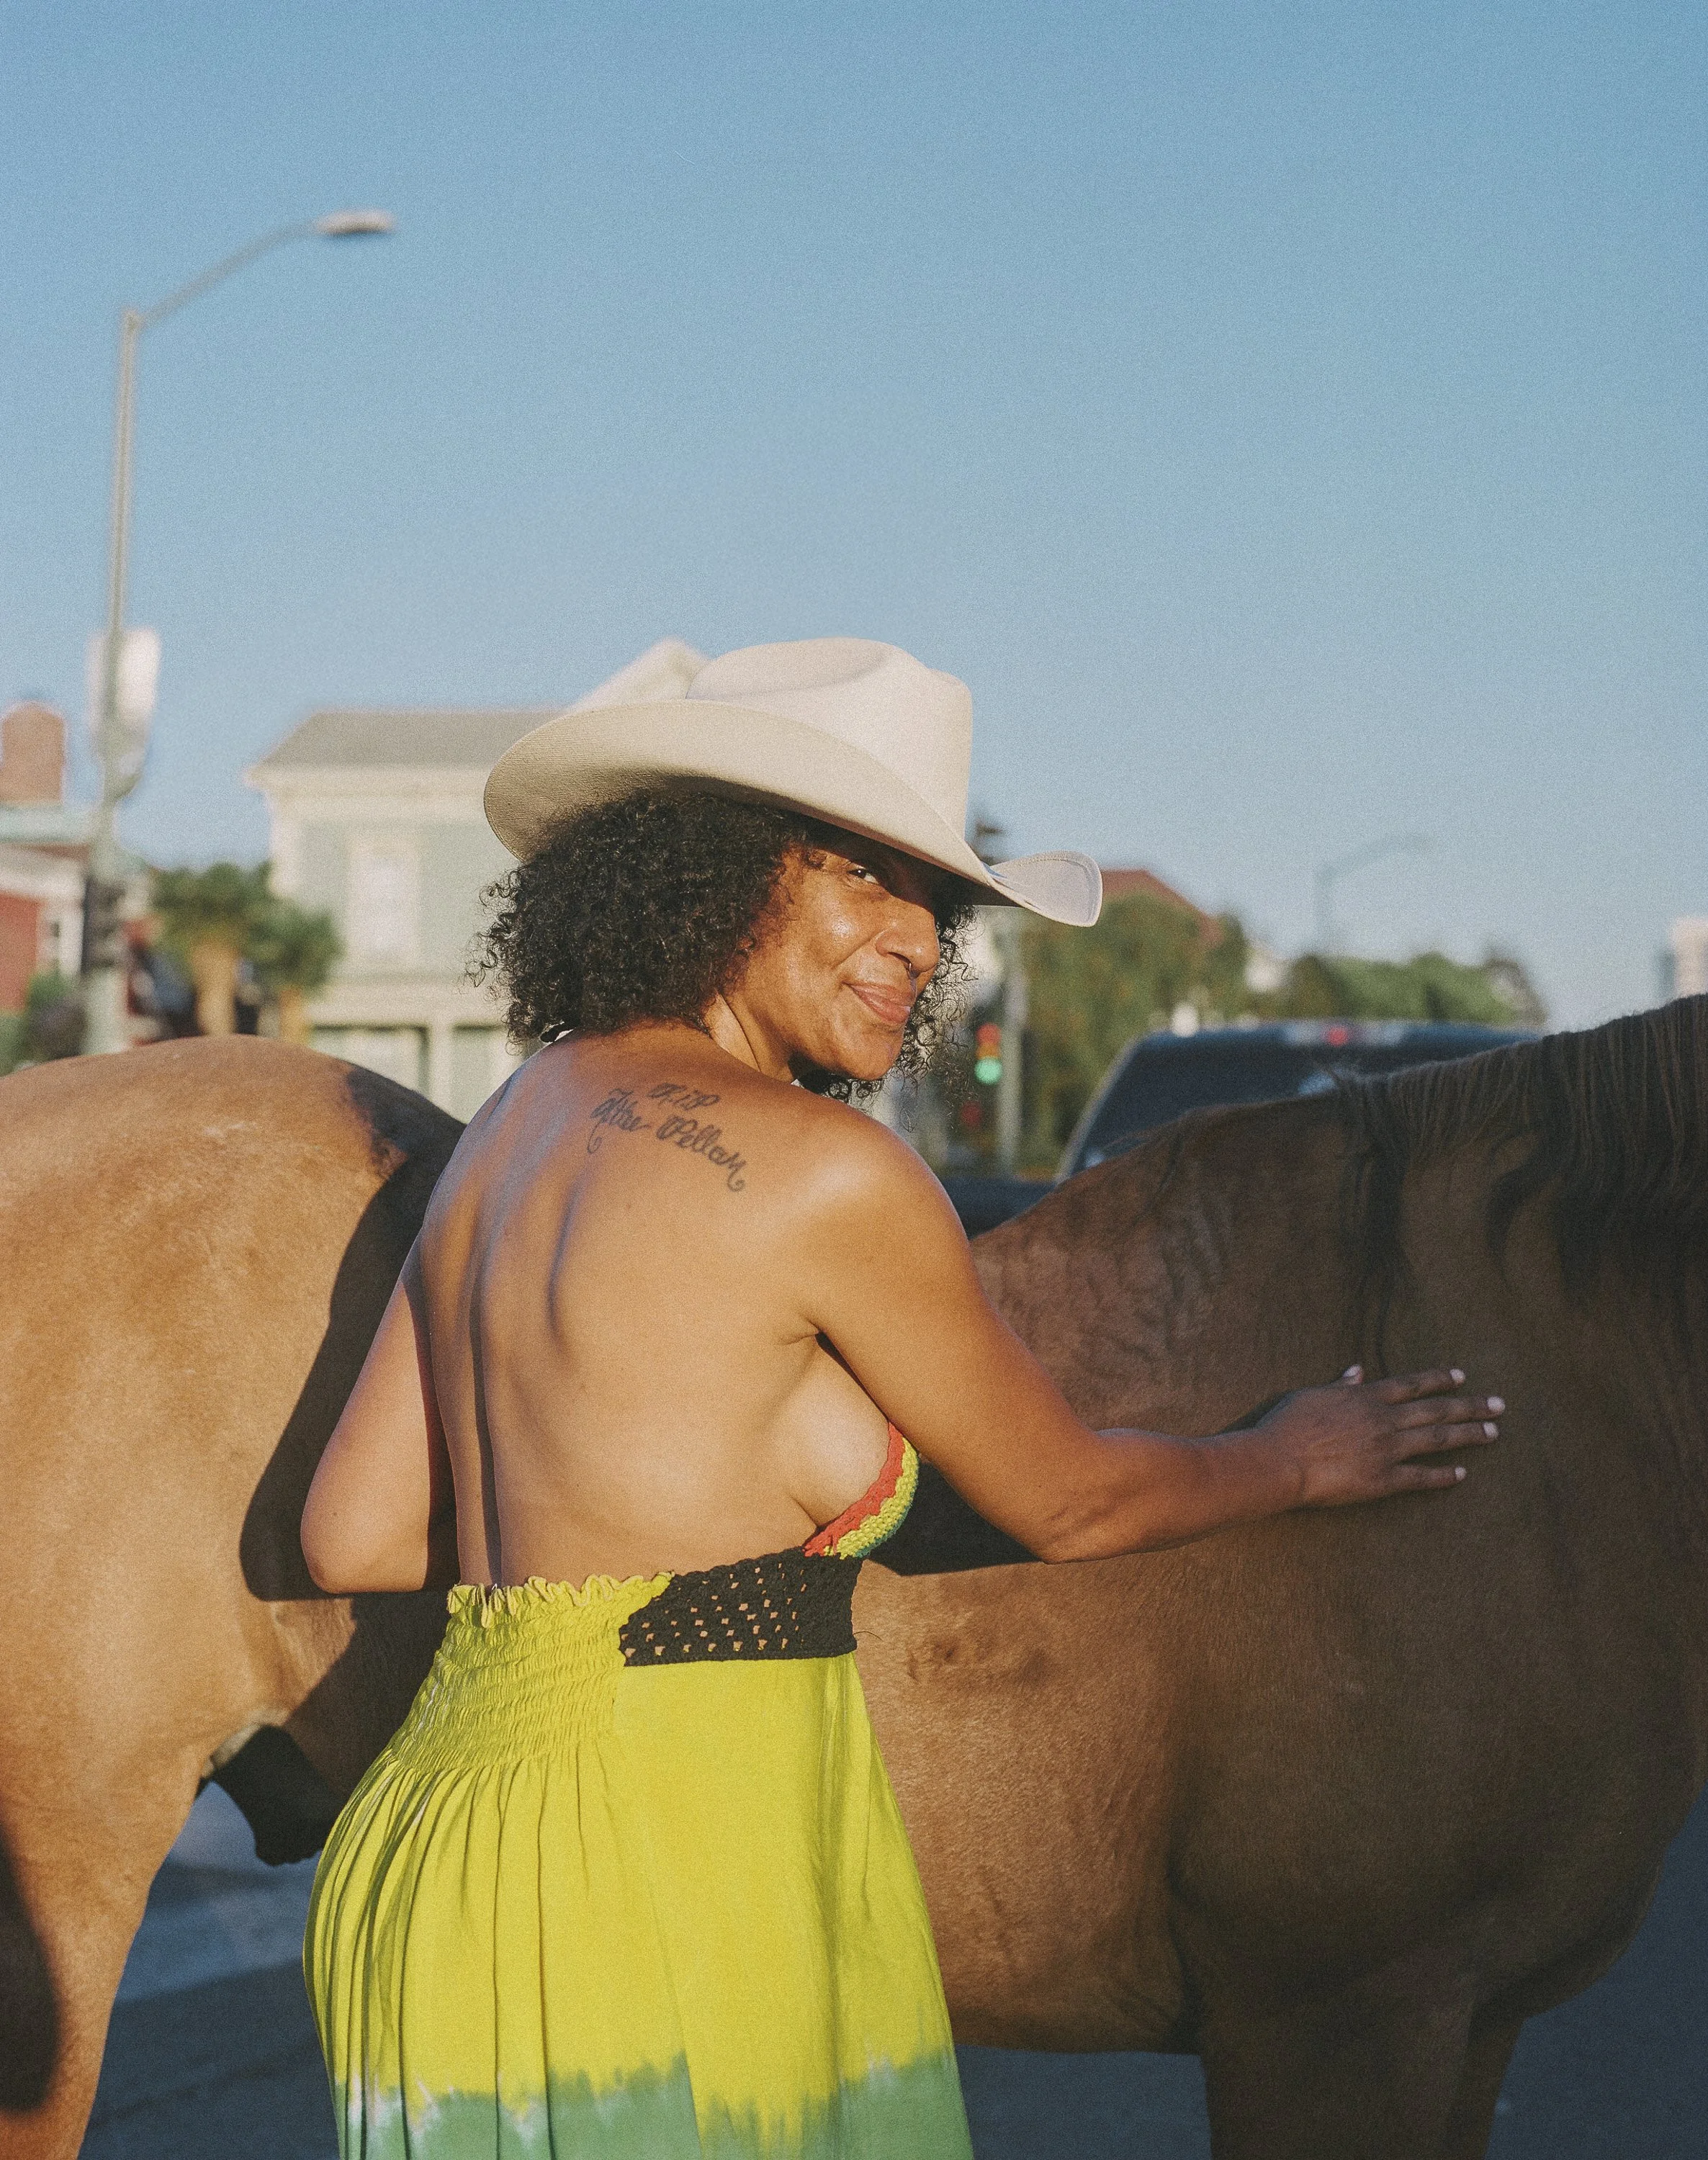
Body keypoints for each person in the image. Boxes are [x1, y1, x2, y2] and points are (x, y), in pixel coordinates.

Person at [300, 637, 1501, 2159]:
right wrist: (1294, 1458)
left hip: (441, 1861)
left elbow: (349, 1537)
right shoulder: (827, 1178)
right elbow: (1066, 1500)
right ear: (711, 877)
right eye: (860, 878)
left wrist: (610, 1552)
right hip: (662, 1885)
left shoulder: (506, 1134)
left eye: (929, 901)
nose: (915, 940)